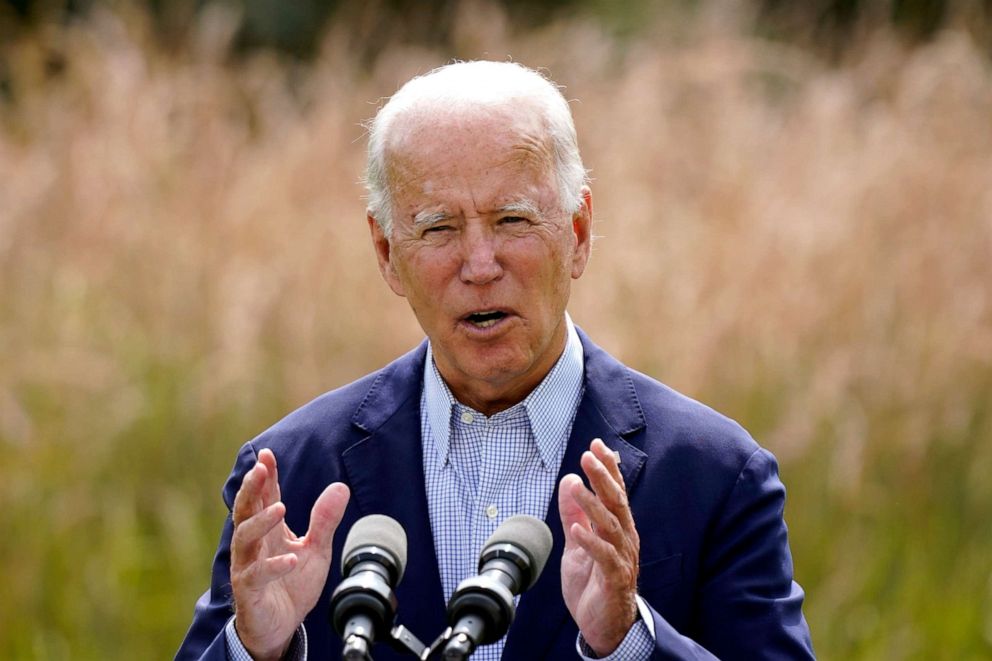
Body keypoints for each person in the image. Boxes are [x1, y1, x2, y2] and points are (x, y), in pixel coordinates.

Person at [177, 61, 814, 660]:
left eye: (512, 219)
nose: (480, 266)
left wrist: (628, 641)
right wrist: (255, 649)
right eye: (438, 228)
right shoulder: (290, 475)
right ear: (385, 251)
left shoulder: (714, 474)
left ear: (579, 234)